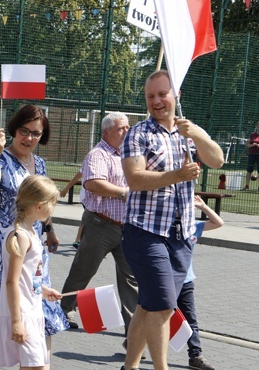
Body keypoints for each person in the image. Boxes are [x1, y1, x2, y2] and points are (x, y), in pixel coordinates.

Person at [120, 70, 224, 370]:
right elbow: (135, 179)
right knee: (164, 307)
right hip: (145, 232)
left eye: (162, 94)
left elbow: (217, 160)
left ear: (174, 95)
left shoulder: (189, 131)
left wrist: (197, 135)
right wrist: (176, 176)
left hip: (182, 236)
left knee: (148, 305)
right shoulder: (138, 133)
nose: (156, 101)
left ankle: (129, 367)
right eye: (150, 96)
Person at [0, 105, 67, 370]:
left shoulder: (40, 163)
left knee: (35, 300)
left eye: (36, 133)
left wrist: (50, 228)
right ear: (14, 129)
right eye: (24, 131)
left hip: (32, 242)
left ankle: (36, 361)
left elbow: (42, 199)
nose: (29, 138)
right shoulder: (2, 158)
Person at [60, 112, 138, 340]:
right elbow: (94, 183)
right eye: (121, 128)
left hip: (126, 228)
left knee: (131, 279)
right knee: (83, 271)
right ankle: (63, 309)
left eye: (128, 127)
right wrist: (125, 193)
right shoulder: (98, 154)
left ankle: (133, 333)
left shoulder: (129, 155)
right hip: (100, 225)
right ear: (107, 132)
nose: (127, 131)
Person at [0, 175, 62, 370]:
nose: (53, 208)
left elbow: (29, 275)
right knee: (36, 367)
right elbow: (11, 282)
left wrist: (44, 289)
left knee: (37, 366)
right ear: (40, 206)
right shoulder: (20, 236)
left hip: (33, 310)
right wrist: (17, 322)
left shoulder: (31, 231)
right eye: (53, 203)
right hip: (23, 314)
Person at [178, 195, 222, 370]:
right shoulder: (165, 226)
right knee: (153, 315)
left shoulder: (194, 226)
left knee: (190, 320)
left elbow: (218, 222)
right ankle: (134, 343)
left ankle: (195, 356)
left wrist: (203, 206)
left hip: (186, 281)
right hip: (164, 280)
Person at [59, 170, 83, 249]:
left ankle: (79, 240)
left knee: (88, 221)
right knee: (88, 220)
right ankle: (77, 241)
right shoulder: (89, 162)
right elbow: (76, 177)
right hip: (87, 198)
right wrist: (66, 189)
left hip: (98, 199)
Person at [243, 121, 259, 190]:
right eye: (258, 125)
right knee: (249, 170)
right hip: (251, 154)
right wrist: (252, 145)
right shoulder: (252, 135)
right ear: (256, 126)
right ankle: (247, 185)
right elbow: (247, 144)